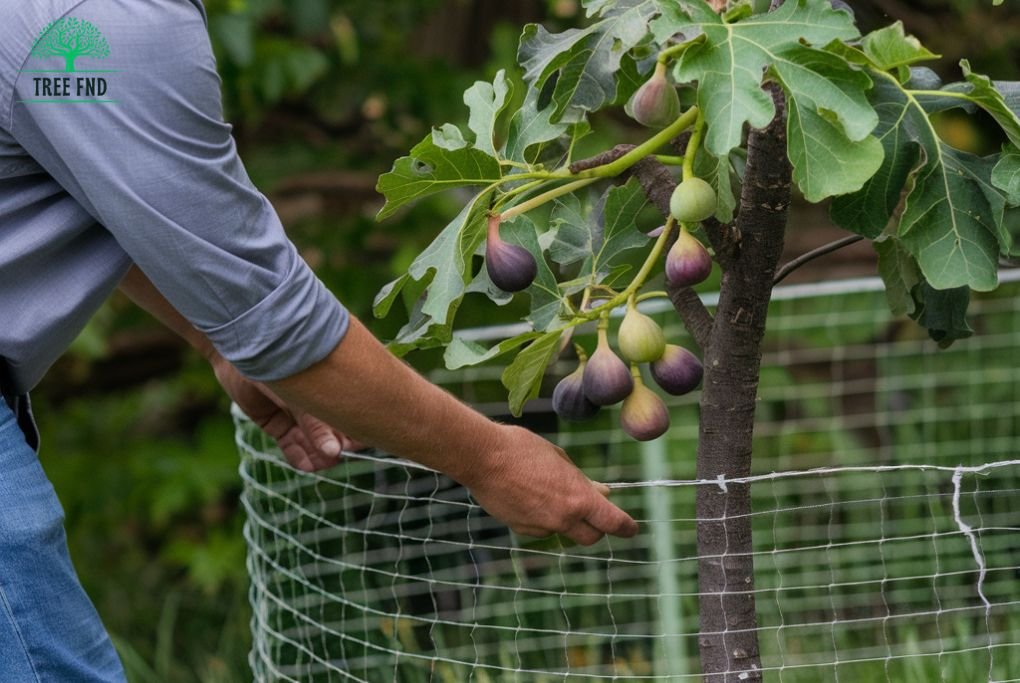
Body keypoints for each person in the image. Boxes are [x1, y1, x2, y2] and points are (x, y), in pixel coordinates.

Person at [0, 1, 638, 681]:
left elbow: (109, 187)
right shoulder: (101, 24)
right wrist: (489, 458)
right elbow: (273, 318)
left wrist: (212, 338)